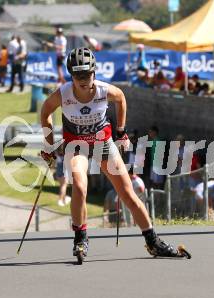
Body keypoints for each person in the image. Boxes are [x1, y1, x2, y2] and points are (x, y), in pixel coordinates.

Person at [40, 47, 188, 259]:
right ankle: (80, 238)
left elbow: (121, 99)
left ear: (94, 72)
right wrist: (50, 146)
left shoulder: (103, 90)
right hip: (77, 145)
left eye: (87, 74)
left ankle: (153, 242)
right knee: (80, 187)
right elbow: (45, 113)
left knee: (127, 193)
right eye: (77, 75)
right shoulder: (63, 93)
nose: (82, 80)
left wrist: (121, 131)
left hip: (103, 143)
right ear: (71, 75)